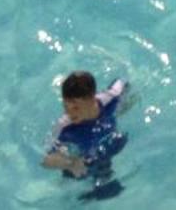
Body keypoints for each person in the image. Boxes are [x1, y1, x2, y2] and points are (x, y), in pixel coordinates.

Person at [41, 71, 130, 200]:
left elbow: (124, 80)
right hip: (82, 163)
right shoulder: (64, 127)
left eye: (75, 108)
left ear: (92, 99)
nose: (69, 113)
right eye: (66, 106)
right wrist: (70, 163)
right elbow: (46, 161)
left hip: (108, 147)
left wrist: (127, 103)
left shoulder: (110, 99)